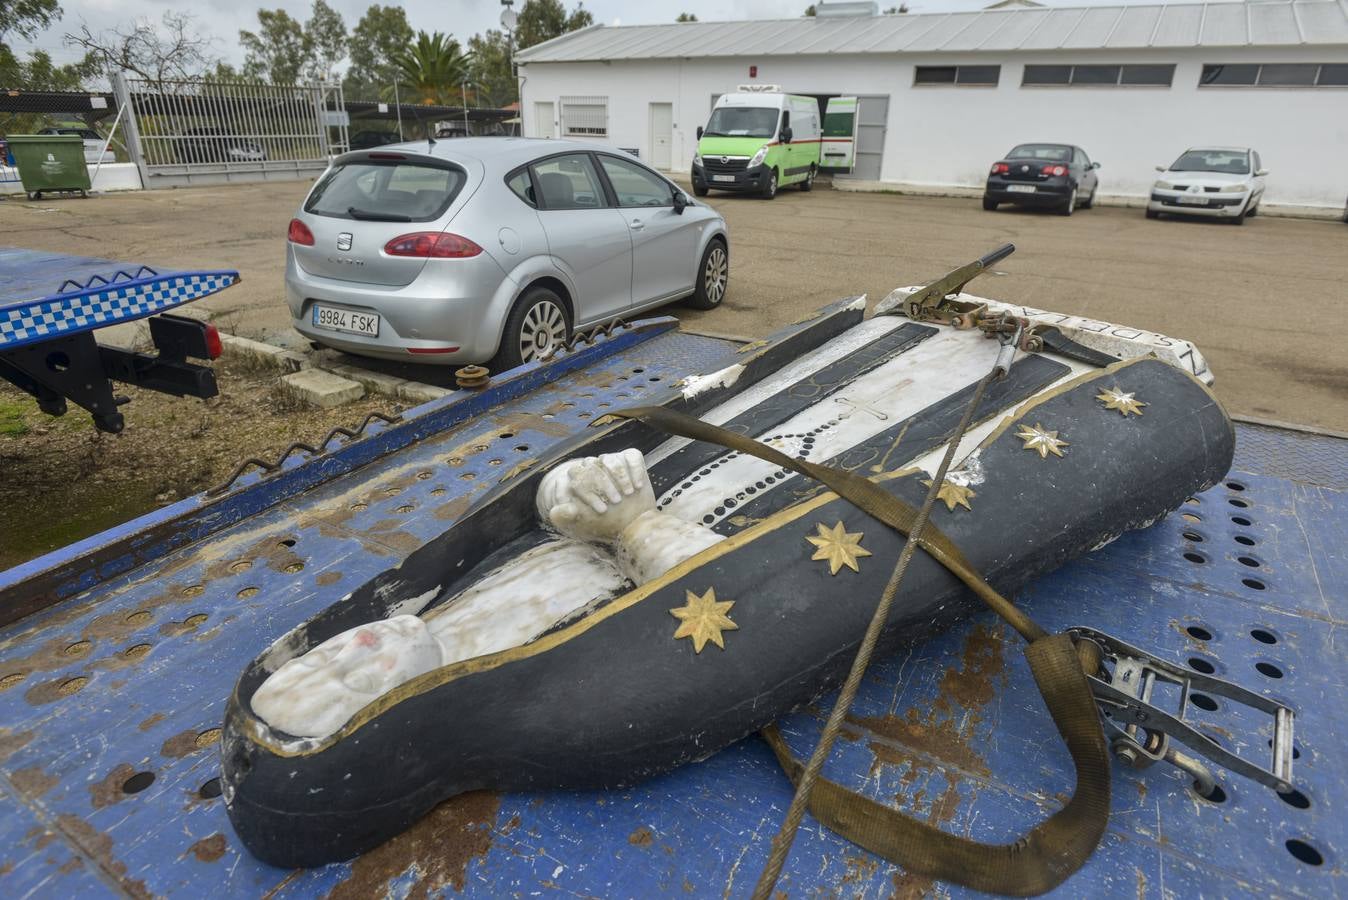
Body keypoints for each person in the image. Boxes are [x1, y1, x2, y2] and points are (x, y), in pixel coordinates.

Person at [252, 450, 724, 738]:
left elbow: (524, 516)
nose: (360, 645)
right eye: (357, 680)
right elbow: (730, 599)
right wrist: (635, 525)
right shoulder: (556, 699)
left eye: (319, 659)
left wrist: (576, 487)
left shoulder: (432, 595)